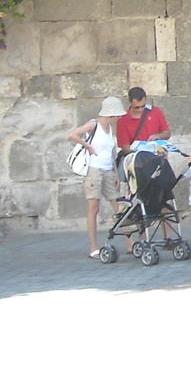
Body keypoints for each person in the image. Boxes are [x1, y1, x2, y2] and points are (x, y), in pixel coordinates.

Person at [68, 96, 125, 259]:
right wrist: (88, 147)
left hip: (107, 169)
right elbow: (72, 134)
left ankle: (130, 242)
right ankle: (93, 247)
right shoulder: (94, 124)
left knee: (119, 207)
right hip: (94, 170)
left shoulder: (109, 129)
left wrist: (116, 173)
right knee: (94, 208)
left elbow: (111, 153)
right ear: (111, 114)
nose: (118, 118)